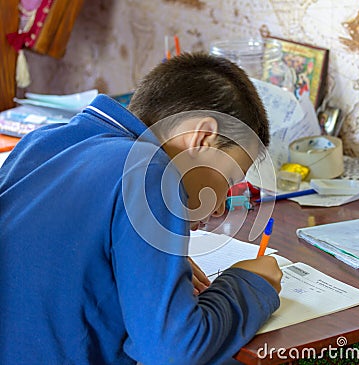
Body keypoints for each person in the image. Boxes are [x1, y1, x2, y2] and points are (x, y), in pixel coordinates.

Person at [0, 53, 282, 365]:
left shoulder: (44, 140)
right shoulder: (150, 171)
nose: (218, 208)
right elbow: (173, 352)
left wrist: (138, 261)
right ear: (202, 137)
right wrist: (246, 286)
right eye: (228, 179)